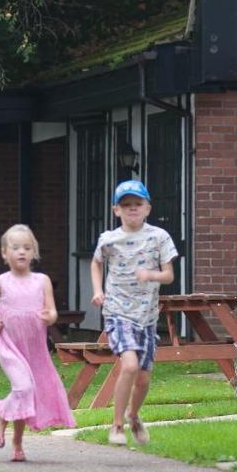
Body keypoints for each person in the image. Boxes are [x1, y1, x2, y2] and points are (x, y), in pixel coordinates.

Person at [0, 224, 75, 462]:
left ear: (34, 253)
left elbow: (51, 311)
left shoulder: (42, 281)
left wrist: (49, 316)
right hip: (10, 346)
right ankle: (1, 419)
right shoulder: (0, 282)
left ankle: (18, 444)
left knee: (25, 394)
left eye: (27, 248)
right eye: (15, 247)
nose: (21, 252)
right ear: (4, 253)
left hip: (35, 350)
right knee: (23, 389)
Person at [90, 179, 177, 446]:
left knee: (143, 378)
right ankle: (116, 426)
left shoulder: (159, 237)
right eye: (125, 205)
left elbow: (169, 276)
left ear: (148, 208)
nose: (132, 209)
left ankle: (134, 415)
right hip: (117, 312)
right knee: (128, 365)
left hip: (147, 317)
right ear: (116, 210)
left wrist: (150, 274)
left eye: (137, 204)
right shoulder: (109, 240)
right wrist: (97, 290)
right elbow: (96, 263)